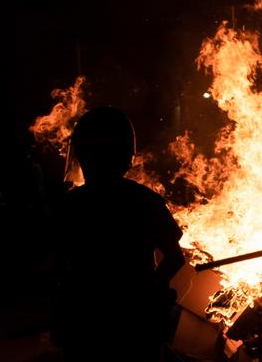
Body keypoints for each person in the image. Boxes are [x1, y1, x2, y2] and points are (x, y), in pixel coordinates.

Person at [52, 106, 185, 361]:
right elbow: (175, 257)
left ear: (82, 157)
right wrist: (149, 290)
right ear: (126, 156)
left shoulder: (72, 204)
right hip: (134, 325)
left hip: (86, 321)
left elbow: (59, 262)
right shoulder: (145, 200)